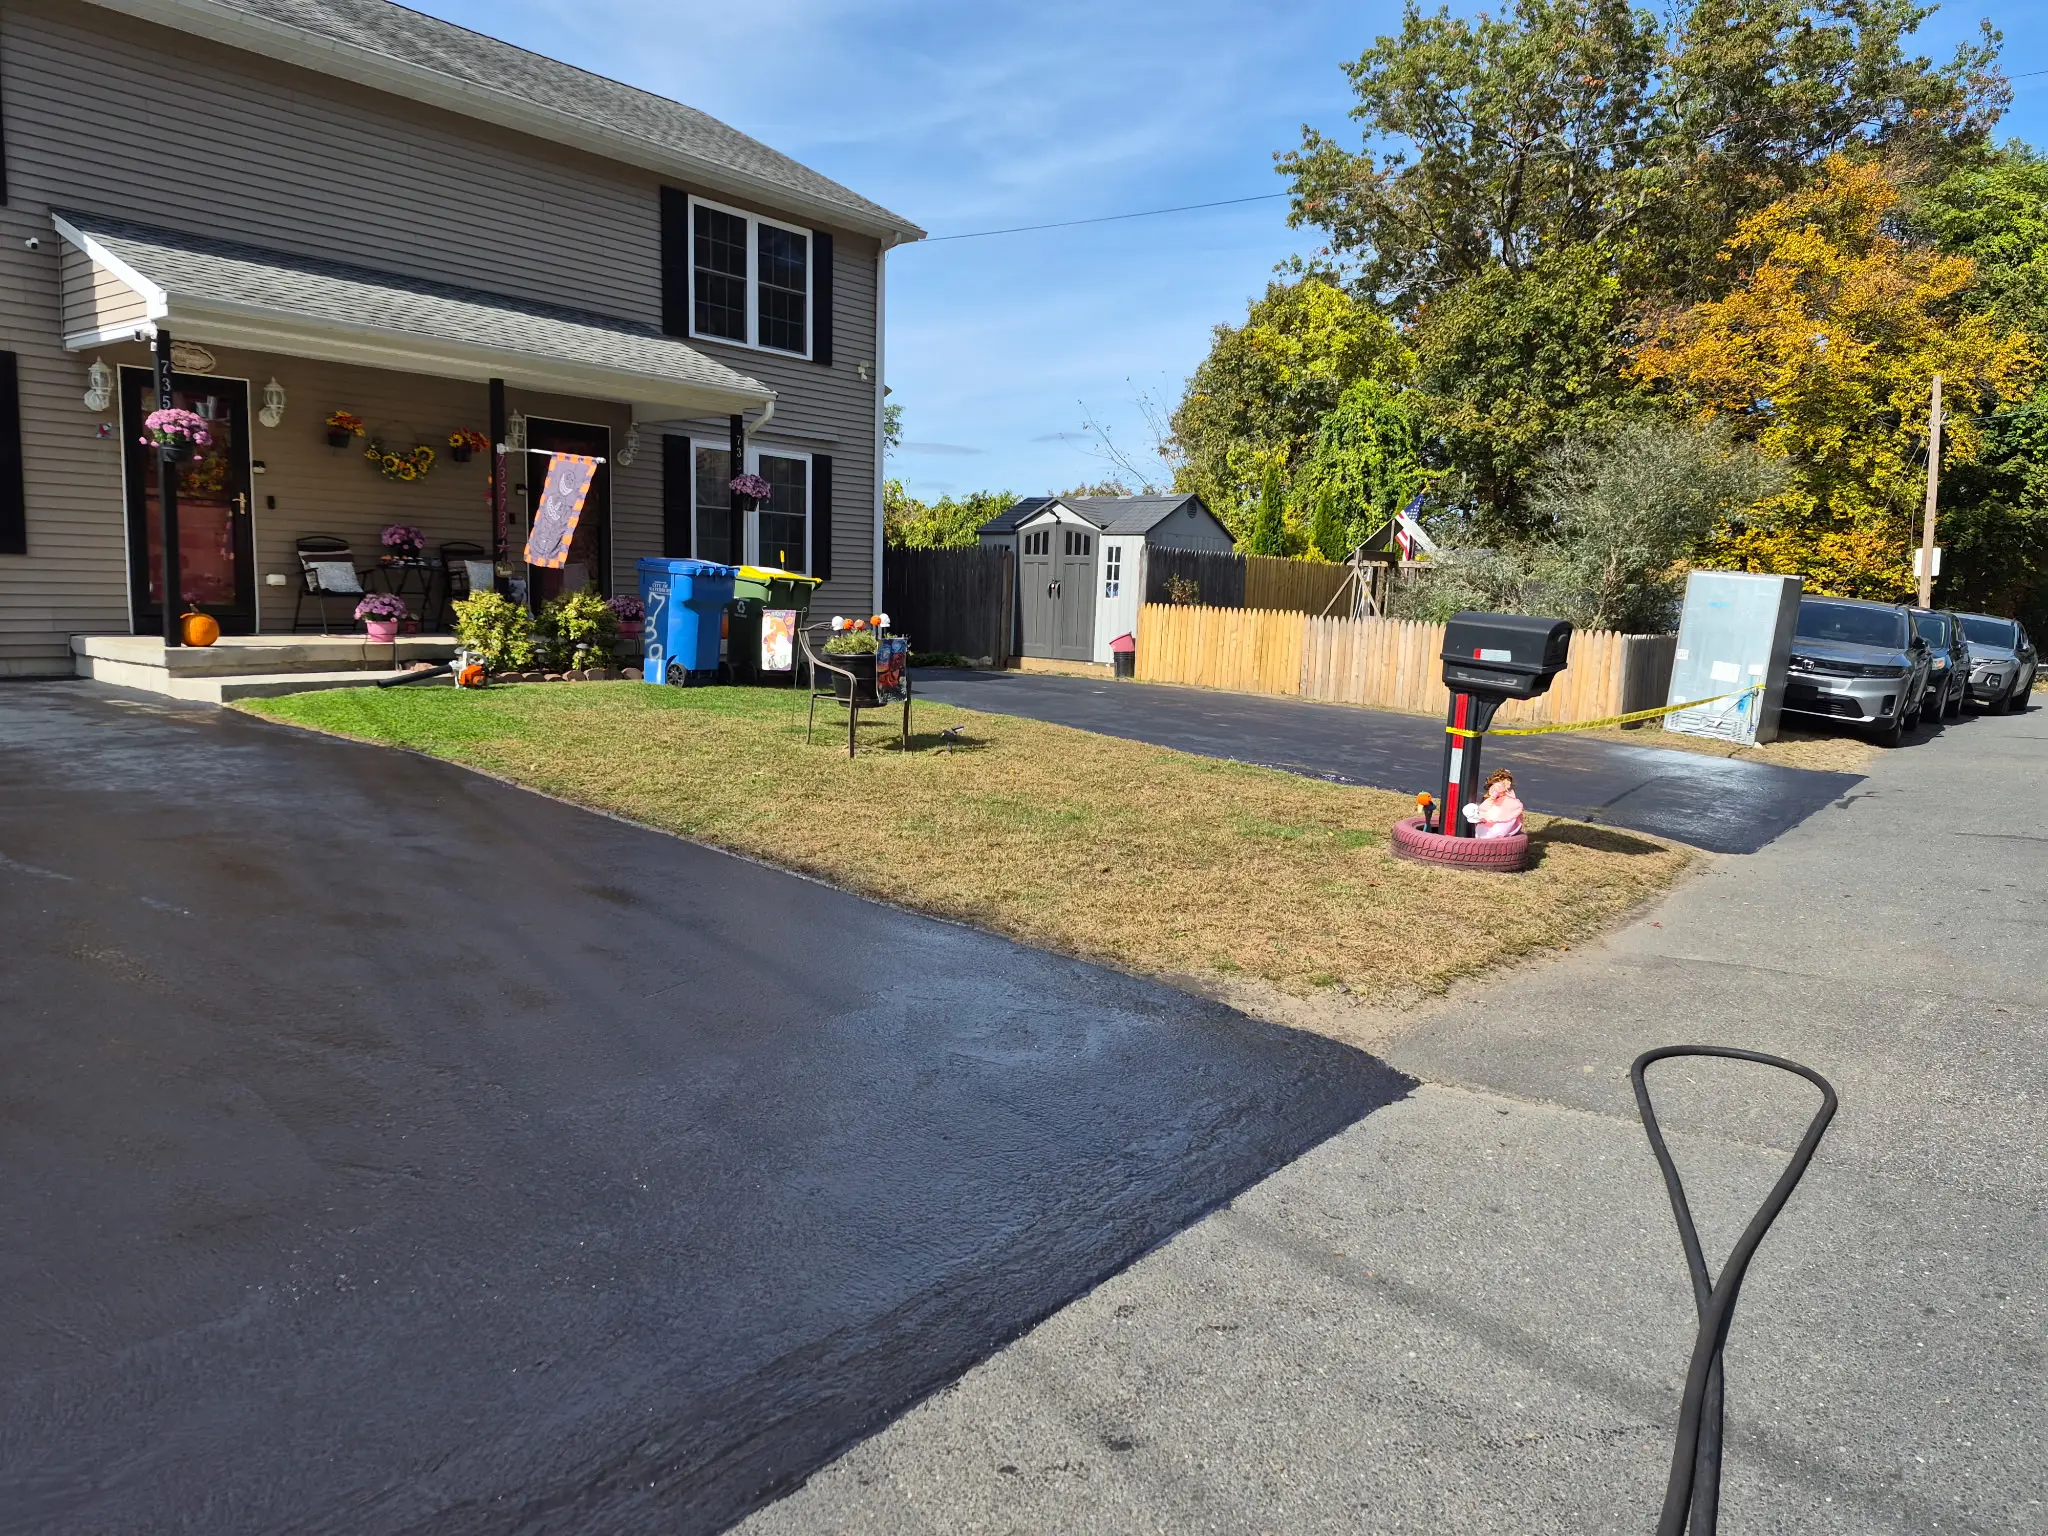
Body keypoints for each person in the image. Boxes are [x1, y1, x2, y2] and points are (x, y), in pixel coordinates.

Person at [1463, 768, 1525, 839]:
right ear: (1501, 780)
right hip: (1499, 805)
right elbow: (1494, 794)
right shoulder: (1498, 786)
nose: (1509, 783)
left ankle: (1507, 831)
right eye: (1507, 780)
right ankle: (1493, 834)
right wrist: (1492, 799)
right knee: (1496, 818)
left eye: (1510, 780)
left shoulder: (1508, 791)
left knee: (1509, 817)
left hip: (1504, 805)